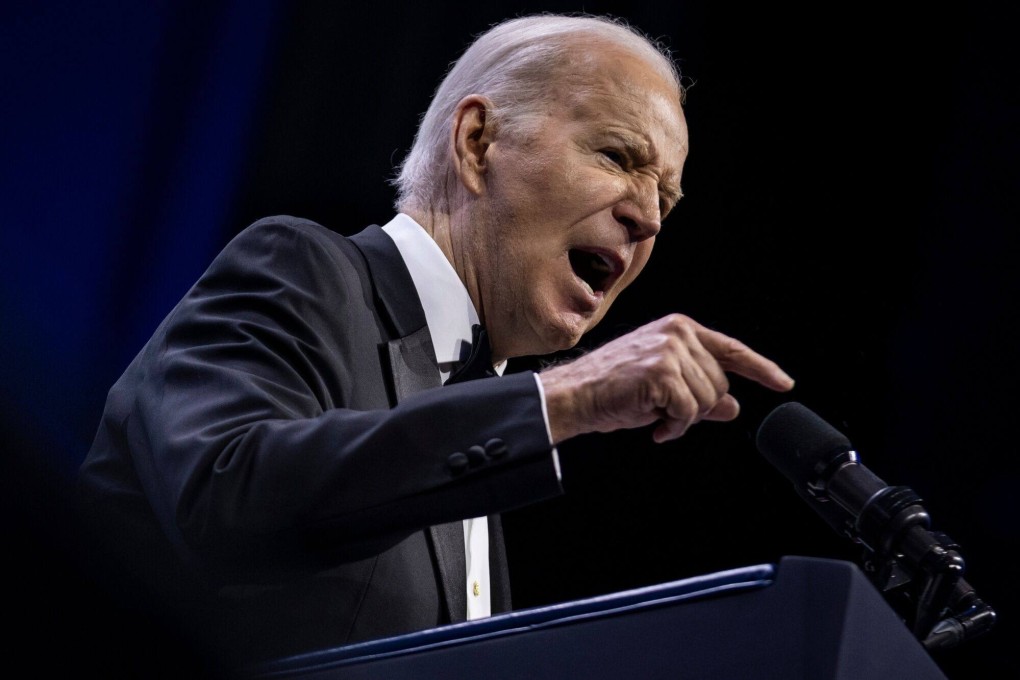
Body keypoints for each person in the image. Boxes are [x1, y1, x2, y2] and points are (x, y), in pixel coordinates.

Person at [77, 12, 794, 670]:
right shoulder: (301, 270)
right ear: (477, 142)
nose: (647, 219)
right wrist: (563, 397)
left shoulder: (474, 419)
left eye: (666, 199)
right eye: (616, 156)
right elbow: (223, 498)